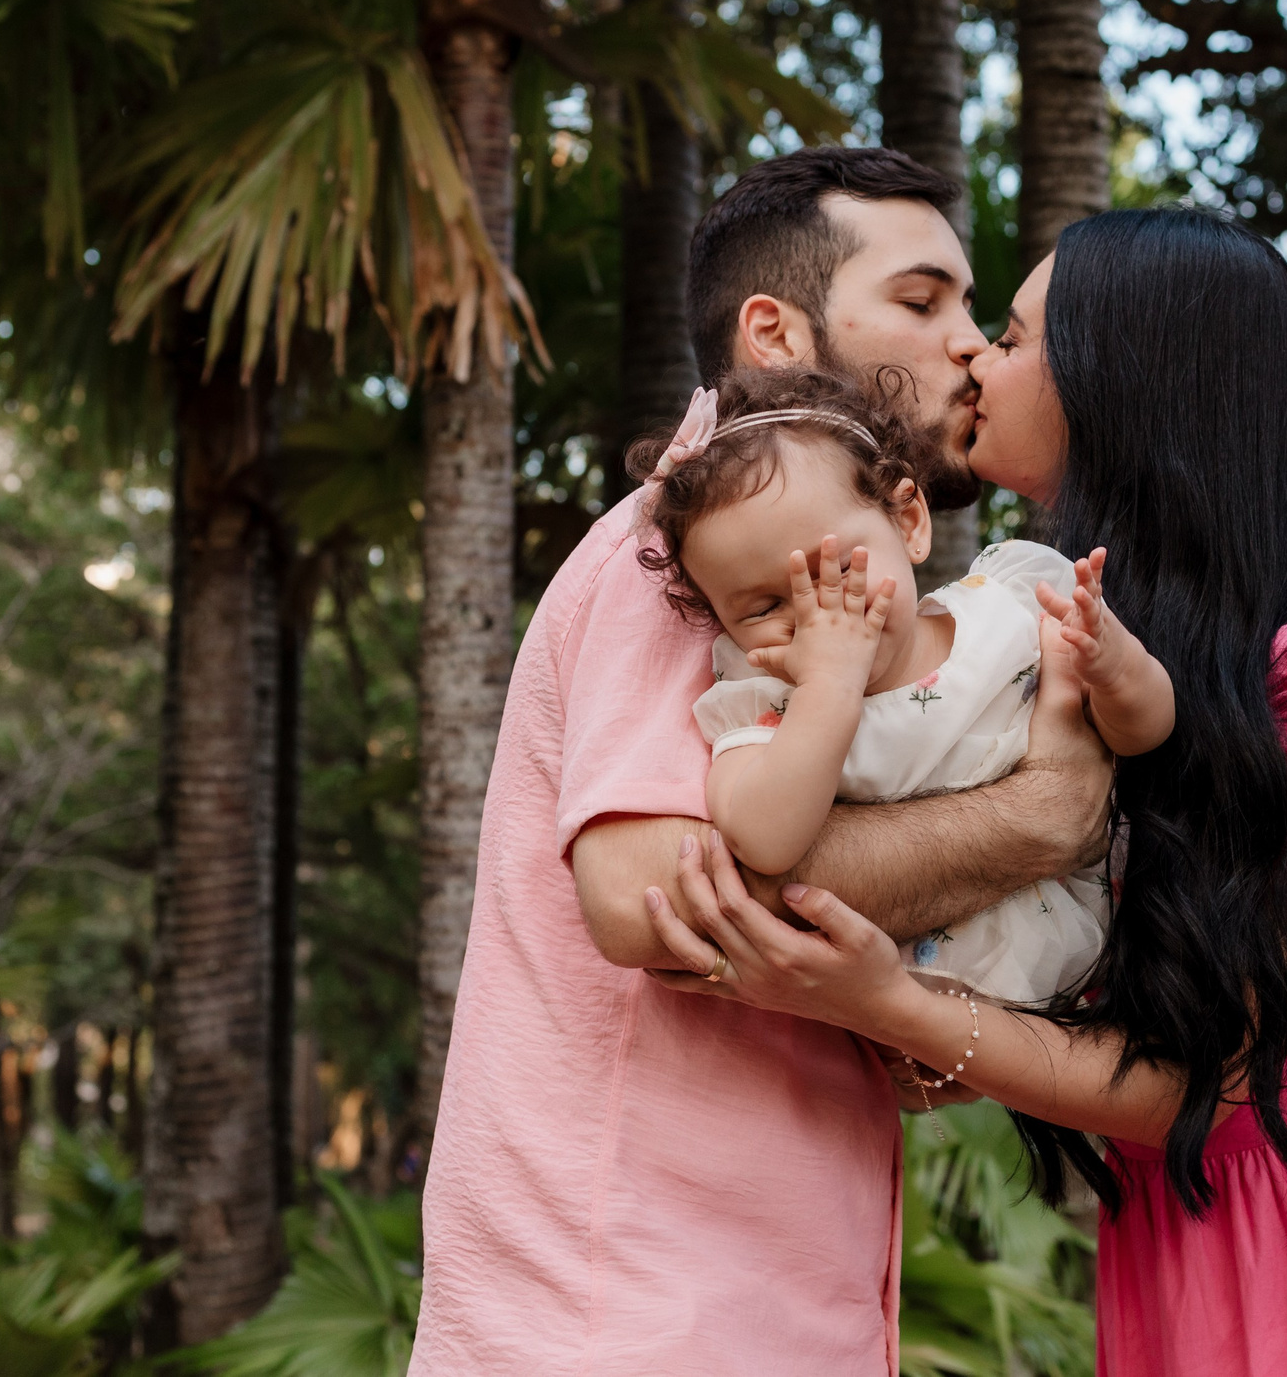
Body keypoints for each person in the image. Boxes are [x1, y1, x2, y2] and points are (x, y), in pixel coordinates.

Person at [645, 207, 1287, 1377]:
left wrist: (890, 1002)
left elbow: (1228, 1084)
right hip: (1197, 1255)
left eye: (1015, 336)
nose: (972, 354)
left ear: (1126, 380)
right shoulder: (1056, 657)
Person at [409, 149, 1117, 1375]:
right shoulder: (701, 547)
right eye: (920, 299)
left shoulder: (824, 565)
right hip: (633, 1315)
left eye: (970, 306)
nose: (964, 343)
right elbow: (644, 901)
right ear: (773, 334)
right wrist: (1042, 818)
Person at [637, 365, 1171, 1004]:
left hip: (1099, 945)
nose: (816, 616)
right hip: (910, 995)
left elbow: (1145, 733)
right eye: (759, 609)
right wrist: (828, 687)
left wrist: (1116, 668)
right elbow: (764, 843)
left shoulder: (1012, 601)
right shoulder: (767, 697)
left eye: (835, 570)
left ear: (909, 520)